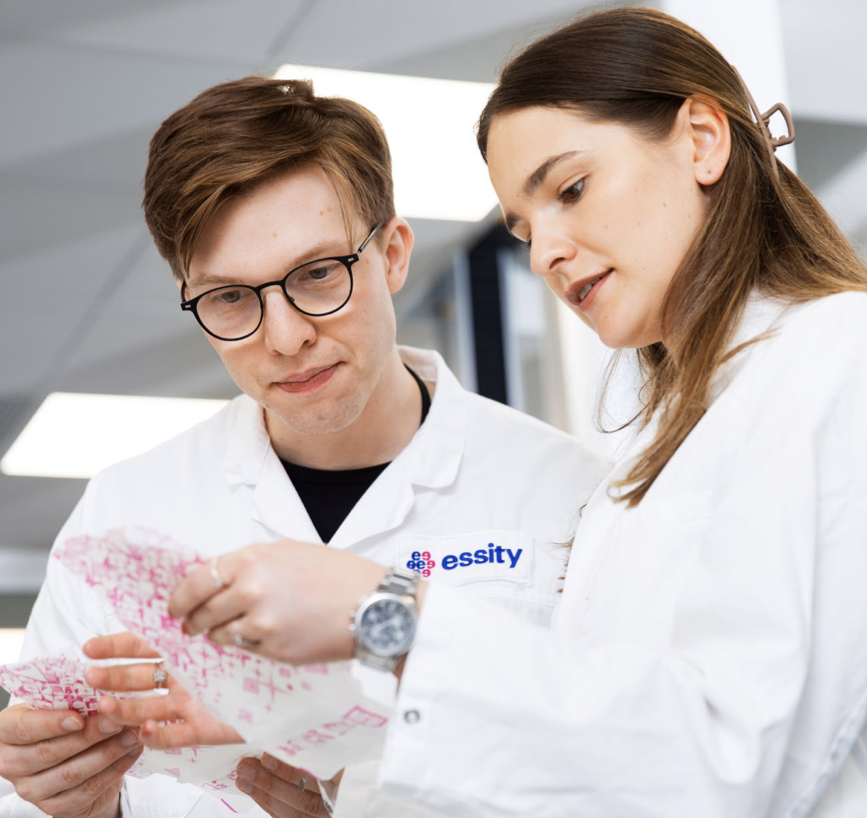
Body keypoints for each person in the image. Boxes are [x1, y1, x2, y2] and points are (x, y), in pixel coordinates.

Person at [91, 6, 867, 817]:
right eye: (523, 227)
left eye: (571, 188)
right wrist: (333, 777)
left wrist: (379, 609)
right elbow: (601, 756)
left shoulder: (832, 358)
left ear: (702, 139)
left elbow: (732, 762)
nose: (544, 254)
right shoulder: (651, 470)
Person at [0, 77, 607, 818]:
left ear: (391, 254)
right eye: (230, 298)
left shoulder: (569, 496)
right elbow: (32, 797)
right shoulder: (127, 508)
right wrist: (80, 805)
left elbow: (622, 772)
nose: (285, 337)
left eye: (318, 275)